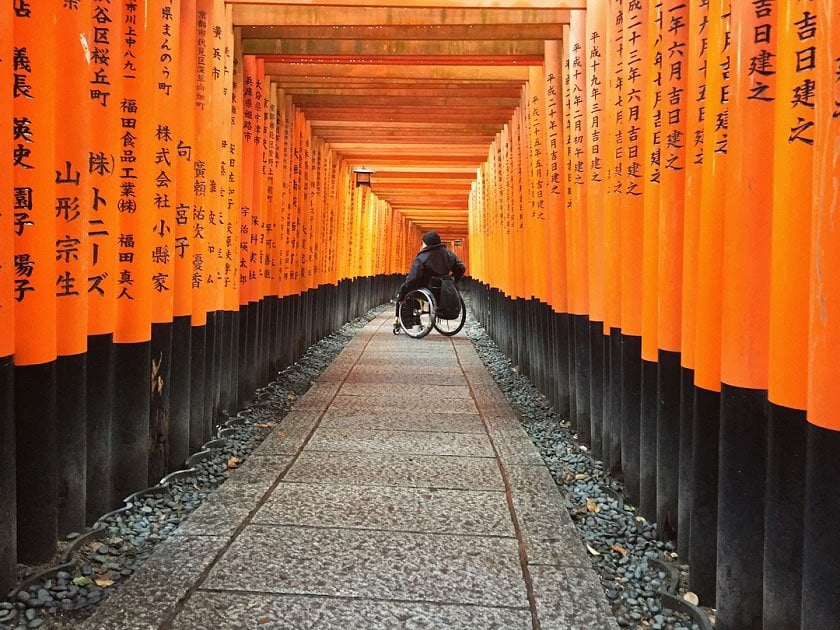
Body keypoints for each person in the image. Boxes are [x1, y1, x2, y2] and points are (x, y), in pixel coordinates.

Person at [395, 231, 466, 328]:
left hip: (428, 288)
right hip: (444, 288)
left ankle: (409, 322)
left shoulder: (423, 256)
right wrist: (453, 280)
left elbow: (413, 277)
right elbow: (461, 268)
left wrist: (403, 291)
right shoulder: (449, 254)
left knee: (408, 293)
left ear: (426, 243)